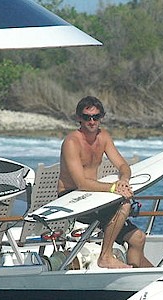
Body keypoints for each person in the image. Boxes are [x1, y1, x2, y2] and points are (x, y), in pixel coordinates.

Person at [58, 96, 152, 269]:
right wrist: (113, 188)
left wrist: (123, 180)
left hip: (94, 197)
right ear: (79, 118)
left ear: (101, 117)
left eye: (96, 117)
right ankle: (106, 257)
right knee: (123, 204)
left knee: (138, 238)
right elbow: (81, 183)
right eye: (87, 117)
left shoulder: (104, 137)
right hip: (72, 198)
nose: (92, 121)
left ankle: (136, 282)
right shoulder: (72, 142)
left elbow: (123, 165)